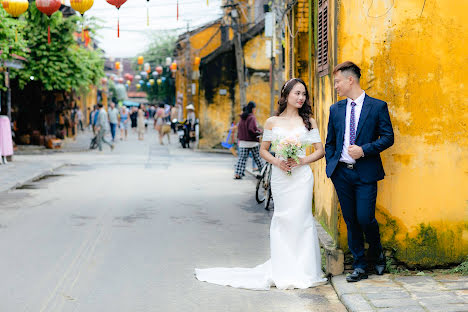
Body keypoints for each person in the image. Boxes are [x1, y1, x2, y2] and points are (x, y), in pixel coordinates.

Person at [195, 78, 327, 290]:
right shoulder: (271, 122)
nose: (301, 98)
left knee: (302, 219)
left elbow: (320, 150)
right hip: (281, 176)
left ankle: (306, 269)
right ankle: (283, 268)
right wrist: (278, 162)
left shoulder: (309, 121)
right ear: (286, 96)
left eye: (304, 94)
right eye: (297, 93)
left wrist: (301, 160)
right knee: (283, 218)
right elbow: (264, 150)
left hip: (302, 176)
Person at [325, 61, 394, 282]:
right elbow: (330, 143)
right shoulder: (335, 110)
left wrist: (364, 150)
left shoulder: (377, 106)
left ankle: (377, 253)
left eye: (337, 82)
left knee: (365, 218)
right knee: (350, 220)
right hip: (341, 173)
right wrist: (332, 165)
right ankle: (360, 266)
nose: (335, 86)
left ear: (350, 80)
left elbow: (388, 138)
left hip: (365, 173)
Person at [233, 101, 264, 179]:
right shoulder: (252, 117)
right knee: (258, 158)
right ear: (253, 109)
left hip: (243, 141)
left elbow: (240, 128)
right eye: (254, 108)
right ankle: (264, 172)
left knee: (242, 159)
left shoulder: (242, 117)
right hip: (252, 142)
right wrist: (259, 132)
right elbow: (251, 129)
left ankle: (238, 174)